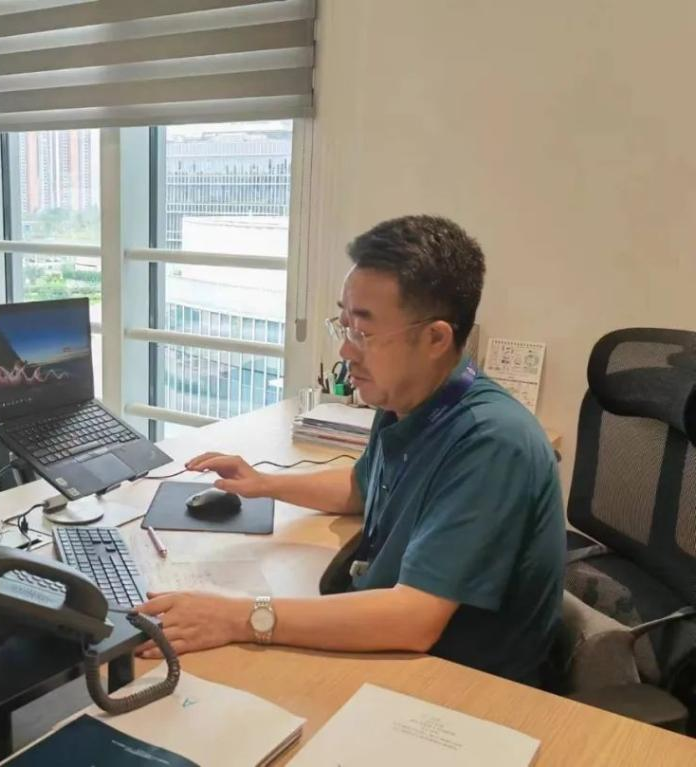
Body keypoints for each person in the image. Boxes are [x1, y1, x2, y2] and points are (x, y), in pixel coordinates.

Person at [135, 215, 565, 685]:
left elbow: (414, 619)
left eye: (363, 332)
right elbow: (365, 486)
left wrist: (238, 617)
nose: (345, 351)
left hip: (463, 684)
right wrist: (266, 484)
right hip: (402, 650)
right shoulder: (405, 398)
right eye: (343, 326)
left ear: (435, 339)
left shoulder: (492, 444)